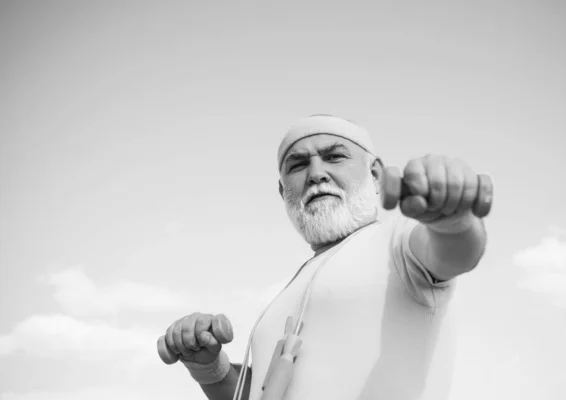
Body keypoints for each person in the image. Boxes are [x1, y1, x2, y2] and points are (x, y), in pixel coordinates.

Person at [157, 114, 490, 400]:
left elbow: (455, 253)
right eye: (298, 165)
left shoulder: (399, 239)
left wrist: (454, 220)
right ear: (282, 190)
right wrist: (209, 368)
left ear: (375, 175)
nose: (316, 173)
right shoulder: (285, 296)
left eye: (334, 157)